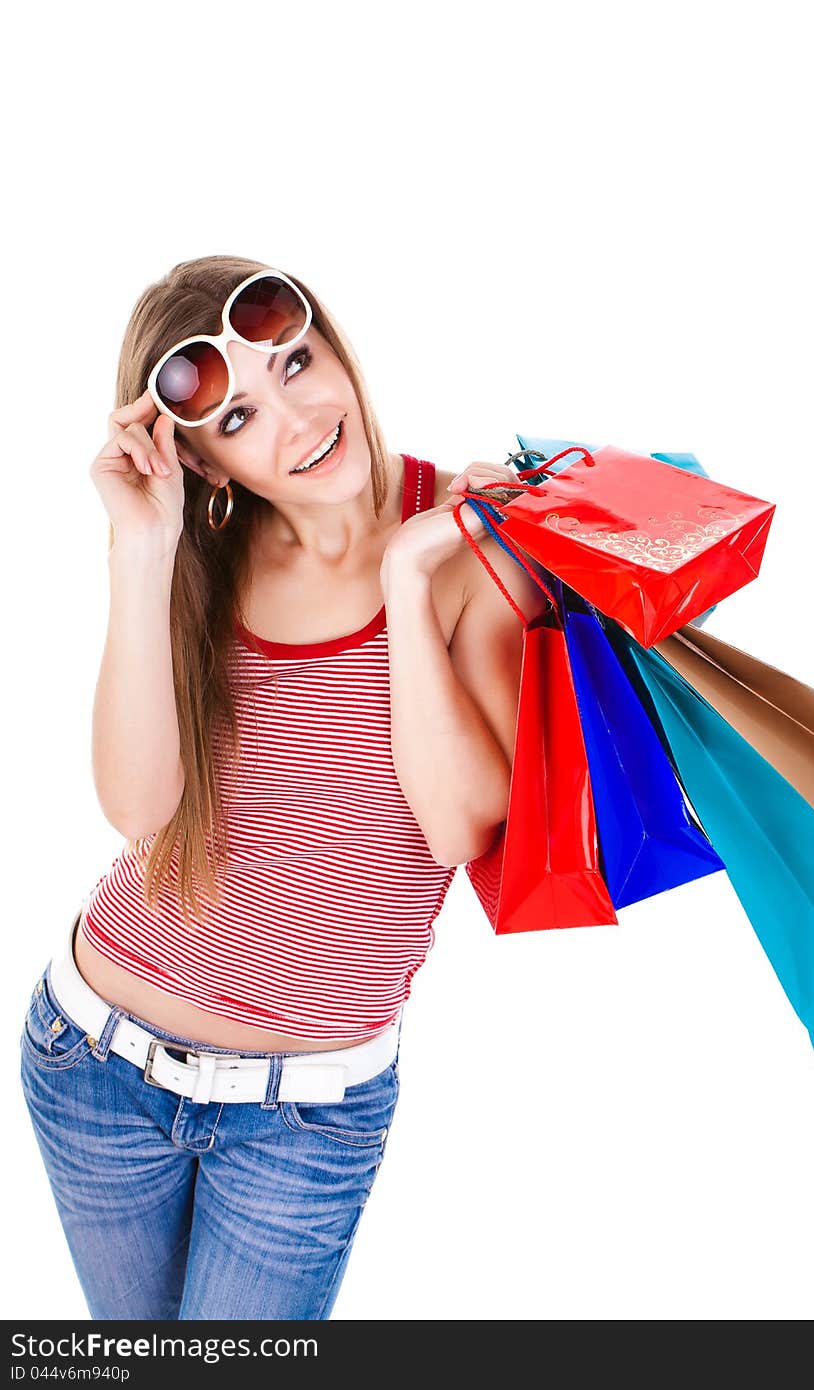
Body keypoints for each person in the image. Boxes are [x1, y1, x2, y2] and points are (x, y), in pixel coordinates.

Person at [19, 255, 548, 1320]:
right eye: (242, 415)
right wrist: (142, 543)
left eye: (298, 361)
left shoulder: (470, 540)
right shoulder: (199, 552)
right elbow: (139, 811)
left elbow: (457, 823)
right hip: (96, 1063)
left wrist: (405, 575)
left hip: (307, 1120)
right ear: (205, 463)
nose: (300, 416)